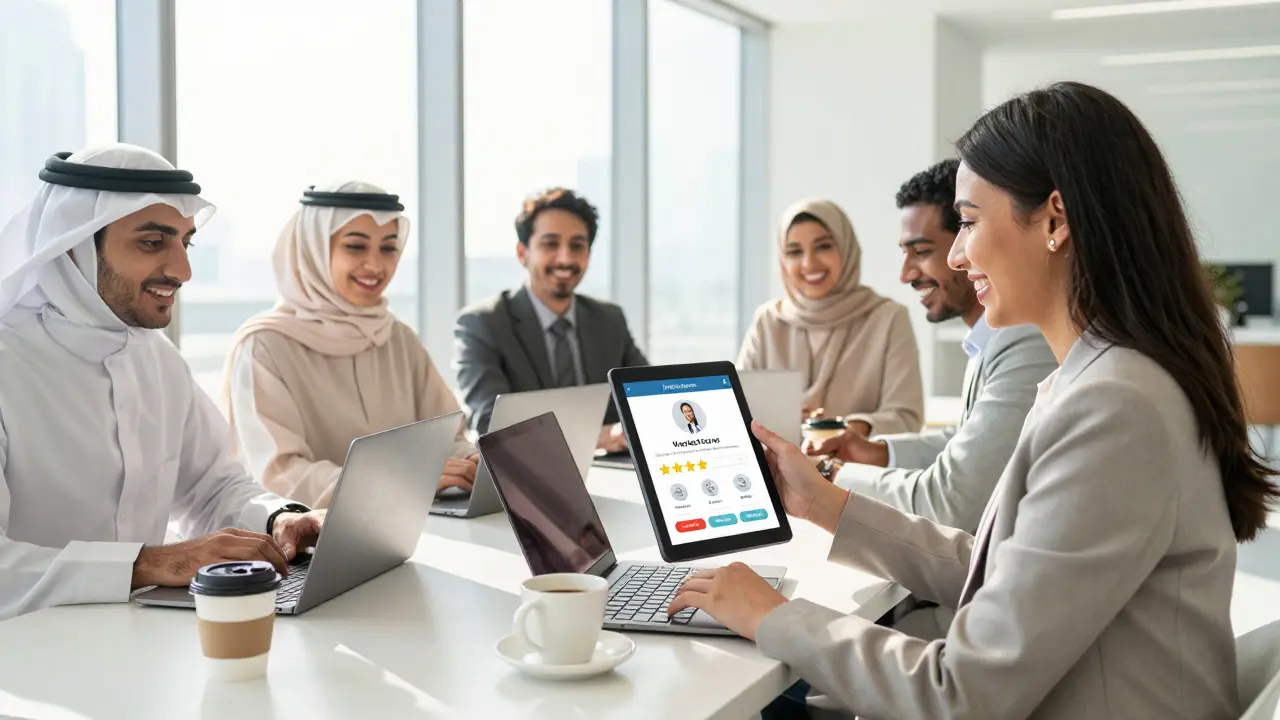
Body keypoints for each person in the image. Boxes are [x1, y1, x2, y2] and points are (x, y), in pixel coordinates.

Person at [668, 83, 1279, 718]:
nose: (957, 254)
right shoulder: (1107, 377)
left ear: (1055, 219)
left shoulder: (1116, 407)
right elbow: (1006, 573)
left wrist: (777, 616)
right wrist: (824, 503)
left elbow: (964, 693)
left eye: (967, 221)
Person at [0, 145, 324, 621]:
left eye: (185, 243)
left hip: (145, 644)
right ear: (72, 246)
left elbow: (212, 488)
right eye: (153, 243)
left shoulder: (159, 360)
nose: (183, 271)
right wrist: (147, 563)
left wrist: (281, 519)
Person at [808, 160, 1057, 537]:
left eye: (921, 251)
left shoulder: (1027, 338)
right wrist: (879, 453)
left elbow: (950, 503)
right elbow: (969, 440)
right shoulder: (989, 337)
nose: (905, 274)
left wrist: (830, 475)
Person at [222, 183, 475, 508]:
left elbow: (447, 436)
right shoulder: (263, 345)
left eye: (388, 248)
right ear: (312, 250)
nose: (376, 265)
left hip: (415, 525)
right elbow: (278, 475)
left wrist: (472, 461)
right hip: (311, 545)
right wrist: (401, 480)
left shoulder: (397, 338)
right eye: (355, 247)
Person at [454, 188, 647, 448]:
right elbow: (490, 425)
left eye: (577, 245)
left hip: (613, 475)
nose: (566, 258)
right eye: (550, 244)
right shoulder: (483, 324)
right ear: (523, 253)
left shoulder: (609, 319)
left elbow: (648, 400)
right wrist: (593, 438)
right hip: (529, 477)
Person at [737, 199, 922, 436]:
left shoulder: (887, 318)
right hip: (774, 470)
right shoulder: (769, 321)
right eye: (794, 251)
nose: (809, 263)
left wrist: (845, 431)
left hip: (855, 471)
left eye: (823, 246)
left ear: (846, 248)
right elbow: (738, 409)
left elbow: (906, 418)